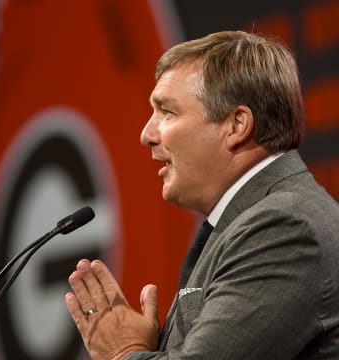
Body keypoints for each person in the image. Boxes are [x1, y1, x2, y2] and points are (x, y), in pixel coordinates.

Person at [65, 30, 339, 359]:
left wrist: (124, 353)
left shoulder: (284, 228)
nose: (147, 134)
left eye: (167, 112)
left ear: (236, 125)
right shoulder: (254, 218)